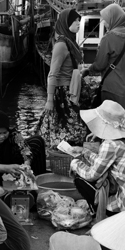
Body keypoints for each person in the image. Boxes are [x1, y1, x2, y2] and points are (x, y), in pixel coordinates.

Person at [70, 100, 125, 216]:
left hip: (124, 207)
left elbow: (92, 175)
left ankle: (98, 212)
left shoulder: (110, 145)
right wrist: (86, 153)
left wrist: (75, 163)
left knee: (79, 179)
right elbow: (103, 161)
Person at [41, 8, 89, 148]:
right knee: (71, 130)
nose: (78, 24)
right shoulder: (61, 45)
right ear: (65, 23)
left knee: (74, 129)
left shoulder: (70, 42)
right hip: (63, 93)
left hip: (71, 90)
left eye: (79, 21)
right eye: (74, 21)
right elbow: (53, 73)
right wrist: (49, 99)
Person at [87, 3, 125, 109]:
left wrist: (88, 70)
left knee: (108, 119)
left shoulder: (108, 38)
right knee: (120, 119)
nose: (105, 23)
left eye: (106, 20)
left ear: (113, 20)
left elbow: (100, 65)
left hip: (110, 87)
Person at [0, 110, 33, 190]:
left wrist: (26, 165)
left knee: (37, 141)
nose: (2, 136)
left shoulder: (14, 134)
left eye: (5, 132)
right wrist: (7, 168)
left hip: (15, 166)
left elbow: (26, 150)